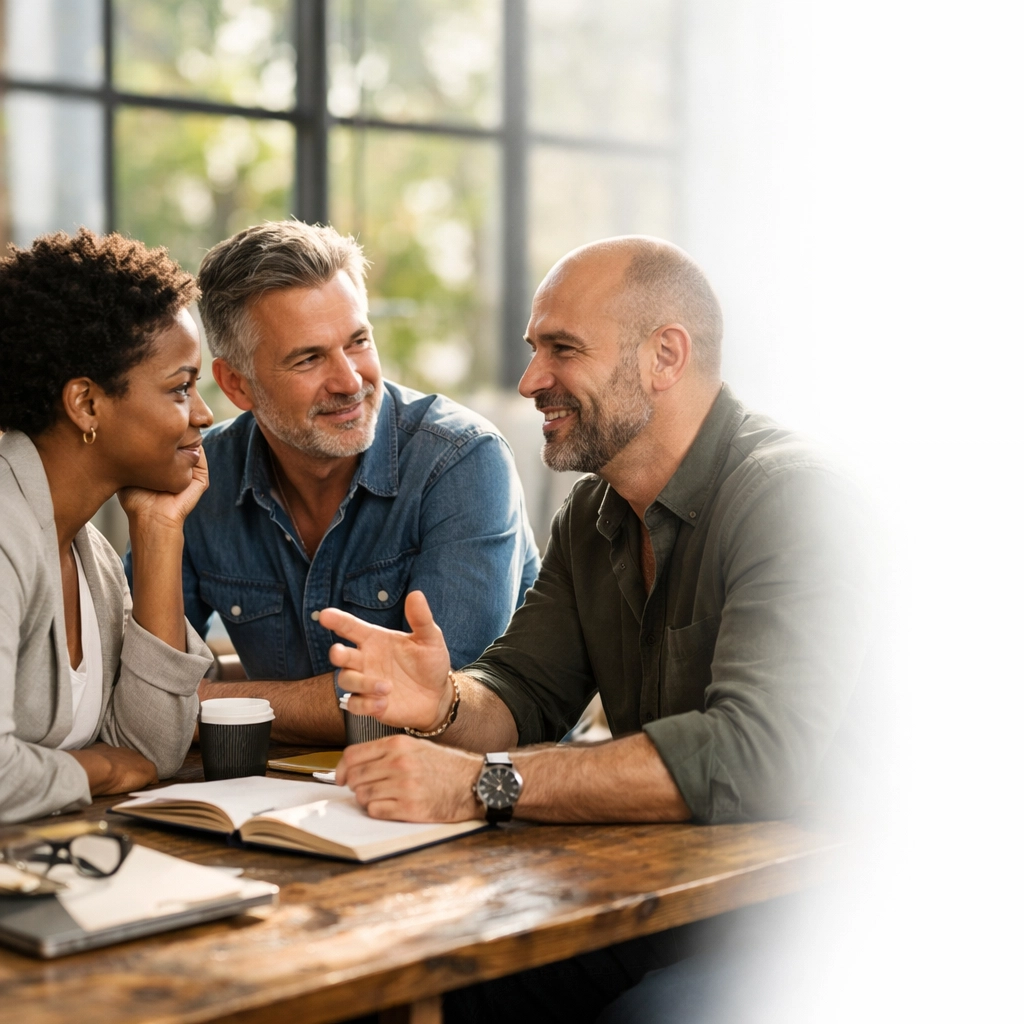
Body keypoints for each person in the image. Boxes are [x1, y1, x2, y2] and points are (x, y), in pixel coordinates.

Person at [317, 236, 874, 1021]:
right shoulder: (593, 512)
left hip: (829, 914)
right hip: (679, 895)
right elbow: (523, 689)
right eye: (532, 349)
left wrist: (481, 785)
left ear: (665, 356)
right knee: (437, 991)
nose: (530, 381)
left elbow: (749, 755)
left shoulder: (794, 498)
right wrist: (445, 702)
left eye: (561, 349)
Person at [129, 221, 539, 745]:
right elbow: (139, 676)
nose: (349, 382)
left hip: (485, 796)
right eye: (309, 358)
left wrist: (192, 703)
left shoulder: (460, 461)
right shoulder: (202, 477)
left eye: (358, 341)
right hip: (291, 790)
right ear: (236, 384)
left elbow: (429, 703)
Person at [0, 229, 215, 825]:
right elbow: (124, 765)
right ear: (87, 405)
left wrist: (157, 531)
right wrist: (96, 771)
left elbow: (151, 750)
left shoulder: (88, 553)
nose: (203, 414)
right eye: (180, 388)